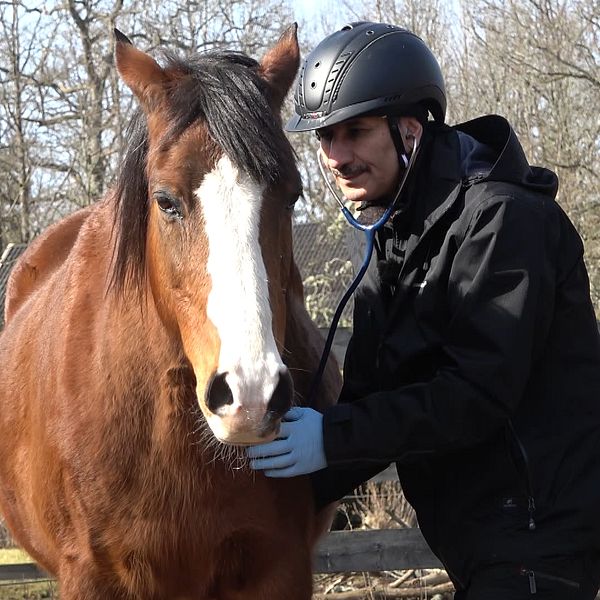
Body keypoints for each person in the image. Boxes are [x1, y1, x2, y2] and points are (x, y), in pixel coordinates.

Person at [246, 21, 600, 599]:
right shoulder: (395, 241)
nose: (336, 156)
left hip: (538, 541)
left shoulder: (503, 222)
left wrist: (330, 440)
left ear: (408, 129)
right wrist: (260, 487)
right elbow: (368, 402)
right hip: (482, 549)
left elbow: (476, 394)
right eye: (325, 138)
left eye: (354, 132)